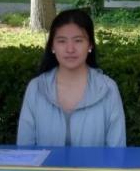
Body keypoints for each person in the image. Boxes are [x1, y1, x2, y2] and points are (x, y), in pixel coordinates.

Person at [16, 9, 125, 147]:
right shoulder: (36, 88)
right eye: (62, 41)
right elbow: (25, 150)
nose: (70, 49)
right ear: (52, 46)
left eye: (78, 41)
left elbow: (117, 151)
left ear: (90, 45)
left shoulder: (108, 89)